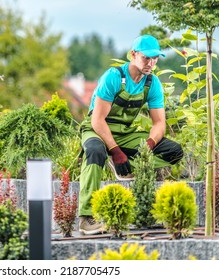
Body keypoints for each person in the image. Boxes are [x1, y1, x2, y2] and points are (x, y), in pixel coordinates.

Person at [78, 34, 183, 235]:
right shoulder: (114, 77)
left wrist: (149, 146)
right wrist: (115, 151)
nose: (151, 63)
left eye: (155, 59)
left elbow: (159, 123)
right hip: (96, 129)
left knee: (173, 151)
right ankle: (86, 218)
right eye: (146, 58)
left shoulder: (152, 84)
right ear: (133, 55)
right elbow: (97, 120)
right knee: (95, 151)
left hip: (124, 133)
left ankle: (126, 169)